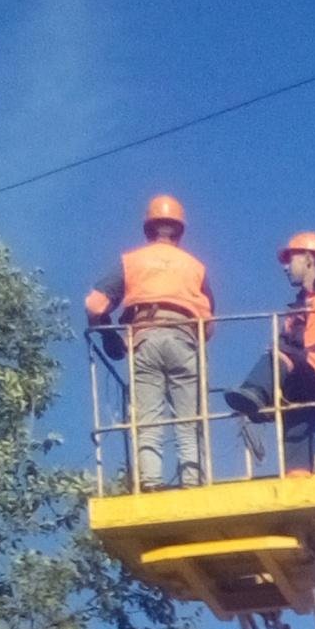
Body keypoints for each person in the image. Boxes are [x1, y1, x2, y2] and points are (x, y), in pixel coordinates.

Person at [85, 196, 214, 490]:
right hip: (185, 338)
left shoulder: (131, 261)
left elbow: (95, 305)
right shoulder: (195, 267)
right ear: (179, 232)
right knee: (191, 419)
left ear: (148, 229)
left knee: (148, 420)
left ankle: (150, 482)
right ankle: (193, 481)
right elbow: (210, 325)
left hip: (144, 339)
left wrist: (109, 335)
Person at [223, 230, 315, 473]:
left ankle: (254, 393)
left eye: (291, 259)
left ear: (309, 259)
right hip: (303, 377)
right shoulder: (297, 307)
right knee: (295, 415)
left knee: (280, 353)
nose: (285, 267)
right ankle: (301, 473)